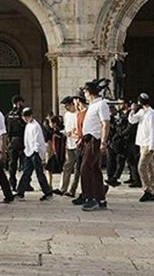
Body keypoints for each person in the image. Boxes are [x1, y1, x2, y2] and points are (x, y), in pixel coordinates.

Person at [78, 79, 110, 212]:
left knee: (85, 168)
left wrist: (103, 141)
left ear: (89, 92)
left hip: (94, 140)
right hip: (88, 140)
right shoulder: (93, 104)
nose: (83, 94)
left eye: (84, 91)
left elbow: (105, 123)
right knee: (95, 170)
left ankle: (90, 198)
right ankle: (101, 198)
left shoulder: (101, 104)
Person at [16, 108, 54, 201]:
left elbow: (37, 140)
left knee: (39, 173)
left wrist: (36, 152)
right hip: (29, 152)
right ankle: (20, 192)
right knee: (26, 172)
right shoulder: (28, 125)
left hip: (35, 152)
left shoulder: (35, 126)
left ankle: (47, 192)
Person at [129, 93, 154, 202]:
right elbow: (132, 120)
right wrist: (132, 111)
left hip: (148, 144)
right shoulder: (142, 112)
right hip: (142, 143)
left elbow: (153, 131)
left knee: (141, 167)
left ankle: (148, 190)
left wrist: (152, 146)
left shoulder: (152, 114)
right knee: (149, 168)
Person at [57, 96, 79, 196]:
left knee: (78, 168)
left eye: (67, 105)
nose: (66, 107)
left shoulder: (78, 114)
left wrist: (73, 132)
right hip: (69, 144)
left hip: (77, 143)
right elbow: (66, 127)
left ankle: (72, 189)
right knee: (67, 166)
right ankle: (63, 188)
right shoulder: (66, 115)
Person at [5, 95, 27, 191]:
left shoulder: (8, 115)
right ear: (18, 103)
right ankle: (24, 184)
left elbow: (6, 130)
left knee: (12, 165)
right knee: (25, 164)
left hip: (12, 142)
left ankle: (12, 184)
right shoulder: (22, 114)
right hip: (22, 141)